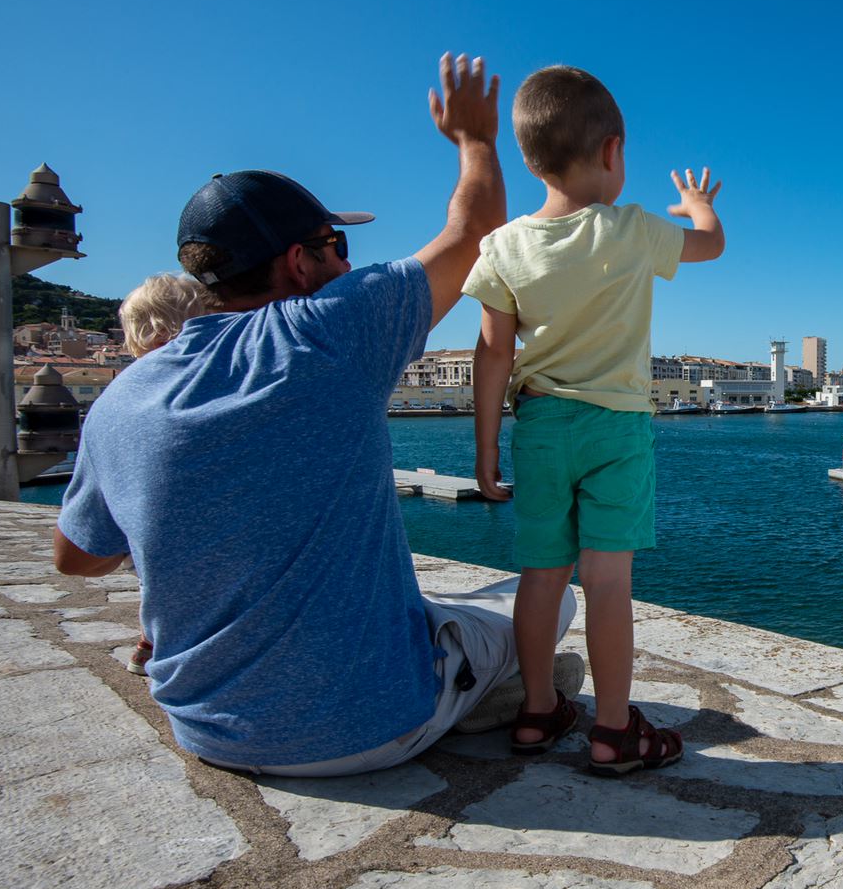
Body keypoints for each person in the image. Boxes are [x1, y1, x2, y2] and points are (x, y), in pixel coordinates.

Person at [54, 54, 579, 776]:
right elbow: (477, 227)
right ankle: (486, 696)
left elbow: (77, 559)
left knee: (427, 602)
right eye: (339, 248)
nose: (346, 265)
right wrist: (474, 139)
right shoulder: (331, 333)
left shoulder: (121, 399)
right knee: (552, 604)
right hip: (366, 728)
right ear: (299, 263)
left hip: (206, 732)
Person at [466, 65, 724, 775]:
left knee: (540, 575)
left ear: (527, 160)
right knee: (607, 581)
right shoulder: (634, 230)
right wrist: (696, 205)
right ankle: (613, 732)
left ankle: (536, 711)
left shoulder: (503, 248)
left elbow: (492, 355)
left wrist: (485, 448)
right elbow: (712, 245)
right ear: (613, 152)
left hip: (541, 425)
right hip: (615, 428)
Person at [115, 272, 220, 676]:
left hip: (152, 536)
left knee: (155, 576)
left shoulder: (124, 401)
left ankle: (151, 641)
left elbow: (77, 557)